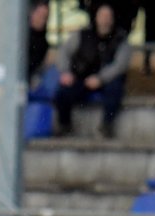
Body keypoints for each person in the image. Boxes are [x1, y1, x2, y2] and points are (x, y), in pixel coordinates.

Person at [53, 4, 132, 139]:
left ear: (113, 20)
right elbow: (63, 53)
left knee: (116, 89)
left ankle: (107, 125)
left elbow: (120, 65)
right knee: (62, 93)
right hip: (81, 76)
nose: (105, 20)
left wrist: (100, 78)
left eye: (108, 17)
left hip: (106, 81)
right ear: (96, 18)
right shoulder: (82, 35)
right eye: (102, 16)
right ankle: (64, 125)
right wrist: (65, 72)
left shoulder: (121, 39)